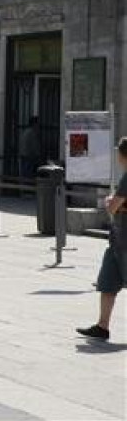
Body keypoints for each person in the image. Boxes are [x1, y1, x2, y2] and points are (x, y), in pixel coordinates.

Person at [77, 137, 127, 341]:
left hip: (125, 242)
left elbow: (112, 207)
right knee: (107, 283)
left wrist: (111, 203)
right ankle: (102, 326)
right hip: (117, 240)